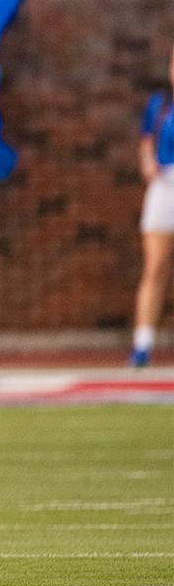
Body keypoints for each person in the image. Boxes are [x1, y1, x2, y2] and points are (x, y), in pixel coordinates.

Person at [131, 46, 174, 367]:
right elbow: (147, 141)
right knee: (156, 265)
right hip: (164, 186)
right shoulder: (160, 105)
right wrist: (147, 163)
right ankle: (143, 344)